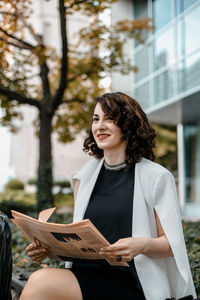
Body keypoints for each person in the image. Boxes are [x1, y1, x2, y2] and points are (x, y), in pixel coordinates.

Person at [20, 92, 196, 300]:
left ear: (128, 125)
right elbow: (80, 239)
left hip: (130, 280)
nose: (100, 126)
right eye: (96, 119)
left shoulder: (157, 177)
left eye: (110, 118)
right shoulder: (83, 178)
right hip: (82, 275)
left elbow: (171, 245)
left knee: (41, 282)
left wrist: (140, 244)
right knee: (40, 281)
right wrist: (48, 250)